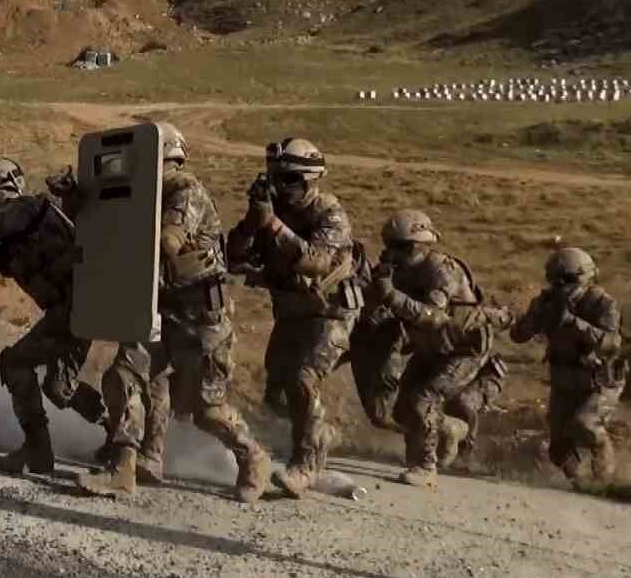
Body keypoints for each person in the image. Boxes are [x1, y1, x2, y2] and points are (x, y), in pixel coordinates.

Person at [54, 124, 273, 504]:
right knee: (125, 377)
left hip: (202, 319)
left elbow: (166, 242)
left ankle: (253, 456)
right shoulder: (145, 196)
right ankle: (126, 467)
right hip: (158, 310)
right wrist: (80, 201)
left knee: (207, 409)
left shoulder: (186, 193)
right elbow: (103, 228)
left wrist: (120, 226)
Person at [0, 155, 105, 474]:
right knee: (59, 387)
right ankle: (116, 430)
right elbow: (2, 259)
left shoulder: (28, 209)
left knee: (16, 363)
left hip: (75, 309)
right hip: (71, 310)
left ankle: (38, 448)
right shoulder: (18, 222)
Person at [227, 137, 363, 498]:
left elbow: (316, 261)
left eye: (289, 179)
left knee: (304, 380)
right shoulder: (273, 210)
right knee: (277, 395)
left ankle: (306, 464)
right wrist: (252, 221)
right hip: (292, 312)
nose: (281, 187)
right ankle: (318, 434)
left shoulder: (330, 213)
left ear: (310, 180)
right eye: (276, 178)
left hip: (330, 313)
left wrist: (273, 225)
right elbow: (234, 258)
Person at [366, 209, 513, 488]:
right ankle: (452, 428)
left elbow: (434, 316)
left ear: (419, 245)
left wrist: (390, 294)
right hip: (429, 348)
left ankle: (425, 465)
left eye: (400, 246)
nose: (392, 252)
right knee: (402, 411)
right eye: (390, 245)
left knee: (423, 400)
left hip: (462, 351)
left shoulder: (442, 270)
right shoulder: (396, 270)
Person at [510, 247, 624, 486]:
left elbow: (611, 344)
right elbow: (518, 336)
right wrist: (535, 315)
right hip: (564, 379)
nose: (561, 286)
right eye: (556, 281)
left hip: (599, 380)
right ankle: (582, 484)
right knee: (558, 448)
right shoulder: (547, 302)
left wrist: (575, 324)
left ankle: (607, 479)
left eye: (568, 280)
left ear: (585, 277)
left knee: (586, 425)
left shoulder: (602, 303)